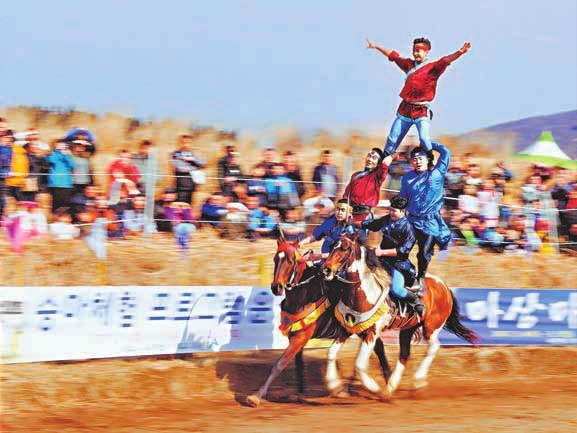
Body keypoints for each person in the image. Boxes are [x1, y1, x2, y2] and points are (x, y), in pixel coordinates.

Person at [366, 37, 471, 158]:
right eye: (414, 50)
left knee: (424, 138)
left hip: (421, 110)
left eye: (419, 50)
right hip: (405, 109)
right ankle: (383, 163)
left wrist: (460, 52)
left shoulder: (433, 68)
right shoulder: (408, 65)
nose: (416, 53)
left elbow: (446, 60)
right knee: (392, 138)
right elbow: (393, 56)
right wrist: (376, 46)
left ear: (427, 52)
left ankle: (430, 161)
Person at [399, 143, 452, 290]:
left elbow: (446, 151)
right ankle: (407, 275)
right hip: (411, 220)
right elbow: (402, 197)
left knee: (423, 253)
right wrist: (399, 204)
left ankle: (420, 278)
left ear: (428, 159)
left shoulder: (437, 173)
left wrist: (428, 143)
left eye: (421, 157)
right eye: (414, 158)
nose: (417, 161)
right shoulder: (407, 178)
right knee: (401, 250)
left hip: (430, 223)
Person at [361, 195, 424, 317]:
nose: (391, 212)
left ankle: (416, 301)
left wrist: (382, 252)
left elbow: (403, 251)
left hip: (399, 264)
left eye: (394, 210)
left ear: (403, 211)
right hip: (381, 260)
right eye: (390, 209)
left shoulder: (409, 228)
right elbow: (373, 225)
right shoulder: (386, 219)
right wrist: (355, 222)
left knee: (397, 289)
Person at [342, 148, 393, 224]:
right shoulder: (356, 175)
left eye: (374, 158)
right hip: (351, 214)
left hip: (364, 216)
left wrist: (392, 155)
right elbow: (346, 195)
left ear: (378, 163)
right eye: (369, 156)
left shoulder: (377, 177)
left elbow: (384, 166)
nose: (370, 159)